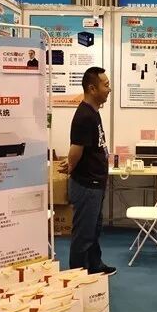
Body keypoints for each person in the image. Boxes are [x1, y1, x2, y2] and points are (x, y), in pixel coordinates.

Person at [59, 67, 116, 276]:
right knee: (83, 234)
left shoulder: (93, 112)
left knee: (93, 230)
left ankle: (94, 265)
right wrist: (71, 164)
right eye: (106, 85)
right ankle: (76, 277)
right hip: (87, 185)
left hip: (95, 183)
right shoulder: (84, 115)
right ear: (92, 88)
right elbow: (76, 150)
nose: (109, 89)